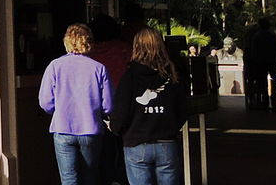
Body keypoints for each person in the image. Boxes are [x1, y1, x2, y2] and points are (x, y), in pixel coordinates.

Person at [110, 27, 189, 185]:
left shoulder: (129, 77)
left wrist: (116, 128)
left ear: (136, 47)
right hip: (167, 143)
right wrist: (171, 127)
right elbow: (183, 110)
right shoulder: (172, 75)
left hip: (136, 143)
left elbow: (121, 113)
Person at [40, 23, 113, 185]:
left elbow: (45, 102)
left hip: (62, 128)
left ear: (66, 42)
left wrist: (59, 111)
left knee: (69, 179)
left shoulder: (54, 66)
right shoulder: (99, 68)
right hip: (90, 129)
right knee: (90, 177)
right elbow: (108, 105)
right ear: (88, 43)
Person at [89, 15, 130, 185]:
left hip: (97, 109)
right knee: (123, 149)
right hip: (123, 104)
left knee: (102, 153)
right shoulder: (124, 50)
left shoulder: (89, 55)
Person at [246, 17, 276, 110]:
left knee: (262, 83)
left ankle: (265, 102)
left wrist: (254, 62)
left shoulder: (257, 36)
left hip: (260, 63)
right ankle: (274, 103)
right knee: (273, 82)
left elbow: (254, 51)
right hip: (272, 62)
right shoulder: (273, 35)